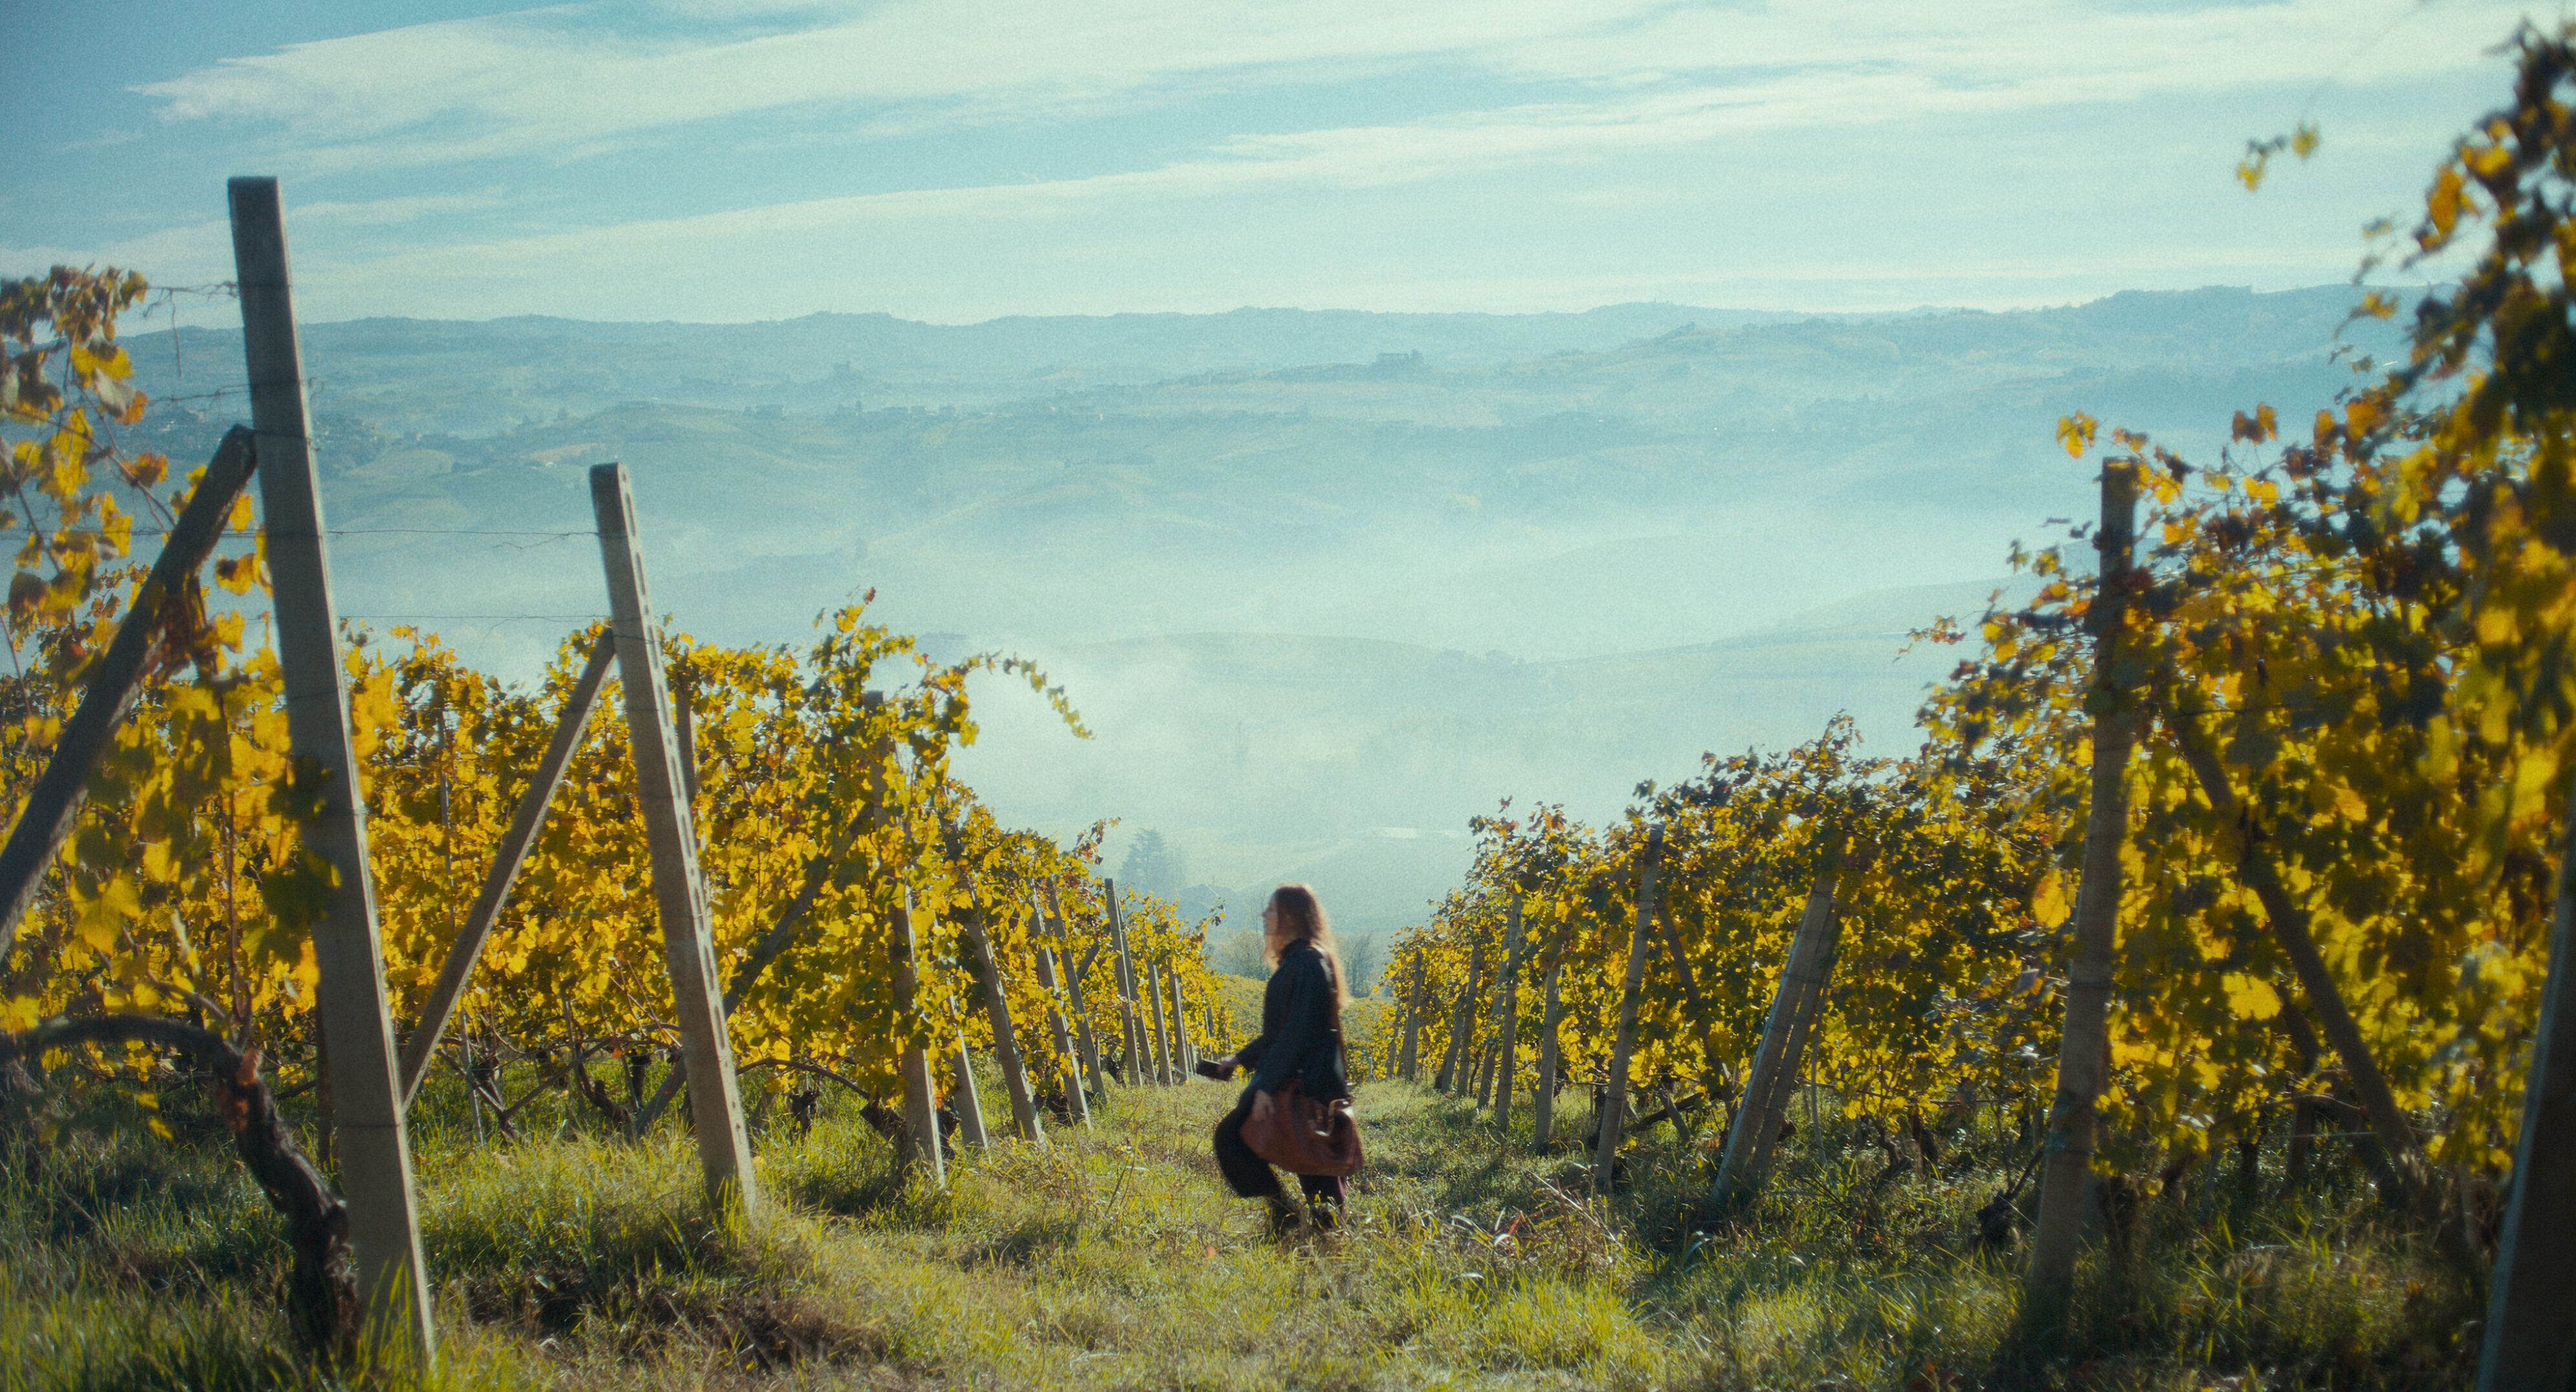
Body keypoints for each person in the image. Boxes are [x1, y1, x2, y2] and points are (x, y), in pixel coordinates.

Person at [1205, 883, 1352, 1234]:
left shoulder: (1308, 963)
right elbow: (1281, 1033)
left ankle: (1294, 1221)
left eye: (1271, 909)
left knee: (1240, 1142)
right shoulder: (1301, 960)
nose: (1264, 915)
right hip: (1306, 1082)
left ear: (1290, 917)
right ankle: (1304, 1225)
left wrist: (1264, 1089)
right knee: (1312, 1164)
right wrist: (1238, 1059)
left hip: (1306, 1085)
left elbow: (1295, 1034)